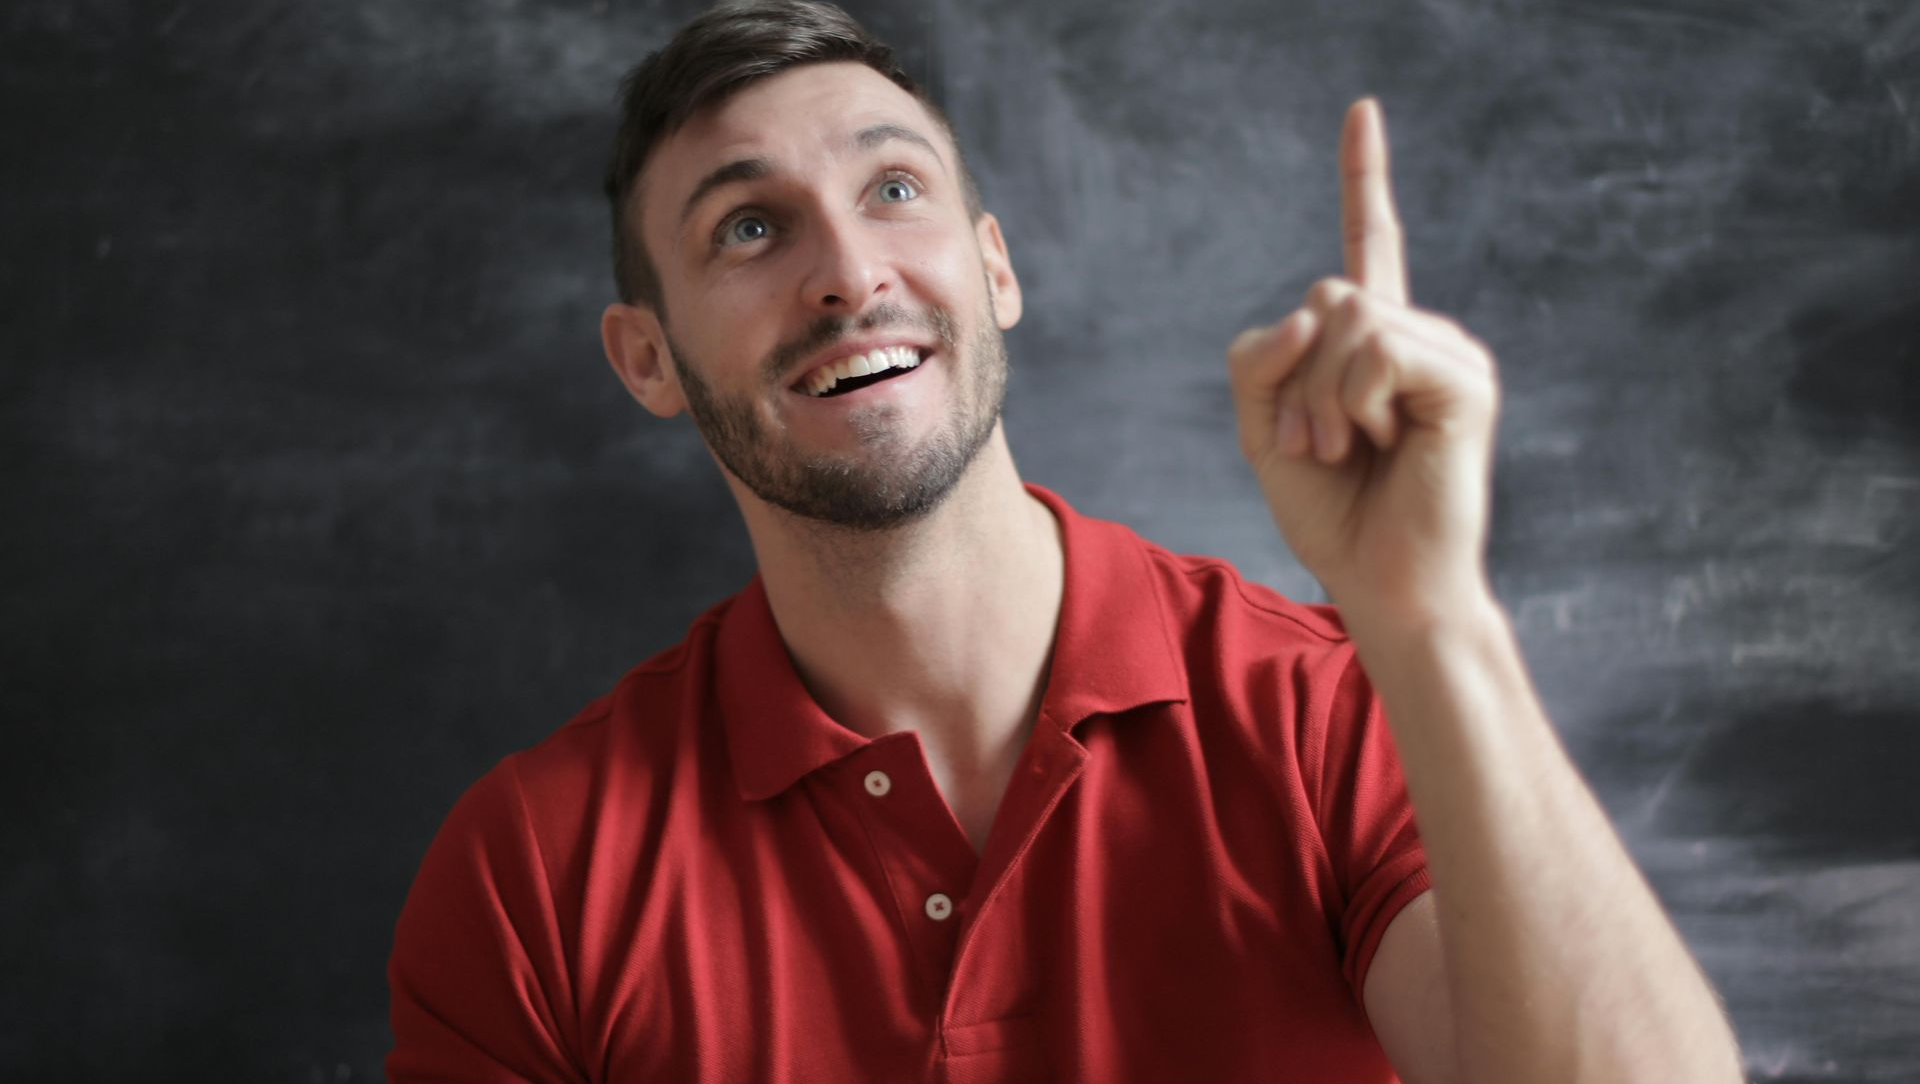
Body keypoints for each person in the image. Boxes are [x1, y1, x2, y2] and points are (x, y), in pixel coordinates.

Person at [386, 2, 1745, 1081]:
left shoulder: (1340, 714)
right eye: (749, 227)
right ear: (648, 359)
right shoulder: (531, 877)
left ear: (997, 271)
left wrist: (1434, 616)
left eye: (895, 190)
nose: (851, 273)